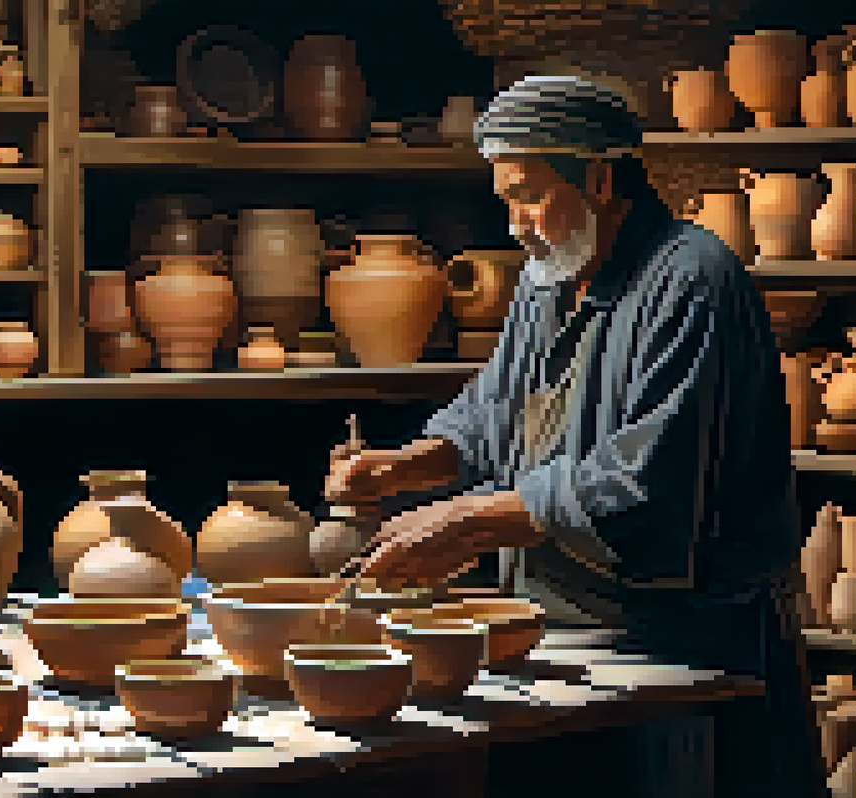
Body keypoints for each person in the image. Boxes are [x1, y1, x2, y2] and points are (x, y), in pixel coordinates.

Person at [326, 76, 825, 798]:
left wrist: (465, 521)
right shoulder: (546, 279)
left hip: (683, 646)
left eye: (529, 196)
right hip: (559, 632)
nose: (516, 225)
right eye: (506, 200)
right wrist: (405, 467)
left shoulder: (692, 282)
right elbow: (493, 409)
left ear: (598, 178)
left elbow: (643, 482)